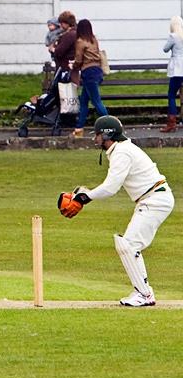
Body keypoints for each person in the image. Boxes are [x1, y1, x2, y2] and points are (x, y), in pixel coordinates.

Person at [58, 116, 174, 307]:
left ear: (106, 134)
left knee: (128, 244)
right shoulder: (120, 150)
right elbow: (108, 187)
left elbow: (111, 188)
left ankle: (144, 295)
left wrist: (84, 198)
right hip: (151, 199)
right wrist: (86, 194)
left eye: (97, 135)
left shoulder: (122, 152)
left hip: (155, 200)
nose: (95, 139)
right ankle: (143, 293)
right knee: (128, 244)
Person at [69, 19, 109, 138]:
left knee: (96, 101)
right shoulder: (93, 39)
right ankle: (79, 127)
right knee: (84, 101)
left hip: (88, 72)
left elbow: (79, 59)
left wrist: (73, 65)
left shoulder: (80, 41)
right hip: (97, 70)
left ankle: (111, 125)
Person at [160, 15, 183, 133]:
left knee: (171, 95)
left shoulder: (173, 36)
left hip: (177, 69)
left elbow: (165, 49)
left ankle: (171, 123)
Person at [52, 11, 78, 83]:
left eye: (62, 23)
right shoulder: (76, 32)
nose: (61, 26)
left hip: (65, 69)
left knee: (64, 92)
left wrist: (54, 49)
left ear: (67, 23)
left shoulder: (69, 35)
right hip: (71, 68)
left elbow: (60, 51)